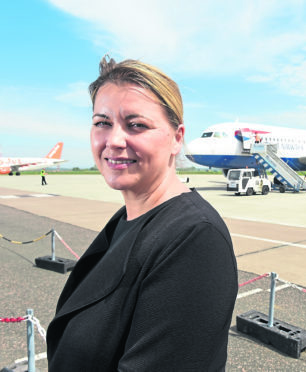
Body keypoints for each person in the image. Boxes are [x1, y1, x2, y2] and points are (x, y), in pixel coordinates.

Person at [46, 56, 238, 371]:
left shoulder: (194, 240)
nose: (114, 140)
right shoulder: (127, 218)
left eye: (136, 125)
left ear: (177, 138)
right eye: (102, 123)